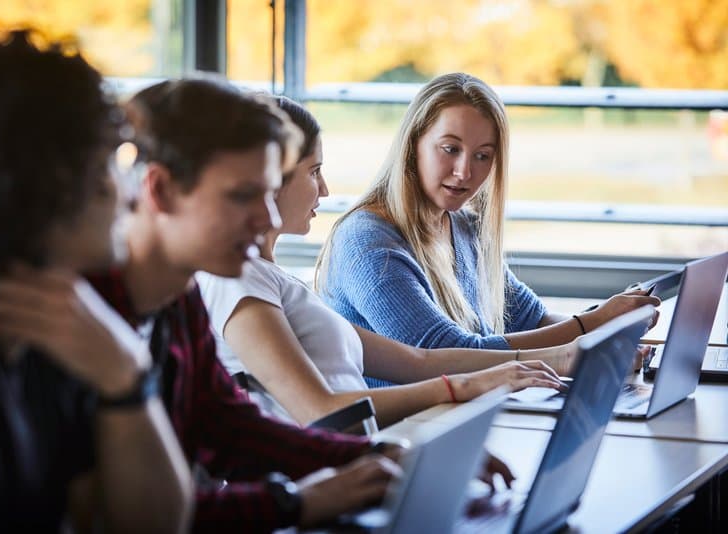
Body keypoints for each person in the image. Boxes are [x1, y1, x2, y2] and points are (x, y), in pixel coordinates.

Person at [88, 76, 424, 532]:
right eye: (243, 196)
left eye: (269, 194)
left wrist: (380, 456)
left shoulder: (178, 299)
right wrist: (297, 502)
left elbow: (230, 427)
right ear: (160, 191)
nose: (267, 219)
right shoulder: (86, 314)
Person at [0, 31, 191, 531]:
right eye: (113, 160)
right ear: (47, 176)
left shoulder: (62, 319)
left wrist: (126, 376)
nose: (130, 192)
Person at [197, 96, 569, 427]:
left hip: (362, 463)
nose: (324, 189)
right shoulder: (238, 280)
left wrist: (545, 361)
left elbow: (417, 361)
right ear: (269, 180)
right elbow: (320, 411)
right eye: (314, 172)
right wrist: (462, 387)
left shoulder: (275, 281)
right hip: (331, 481)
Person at [316, 73, 660, 365]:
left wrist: (606, 339)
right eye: (450, 149)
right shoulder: (367, 243)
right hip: (398, 433)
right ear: (413, 144)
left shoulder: (464, 227)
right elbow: (449, 355)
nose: (465, 171)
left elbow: (533, 319)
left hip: (460, 418)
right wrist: (591, 325)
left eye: (483, 156)